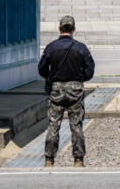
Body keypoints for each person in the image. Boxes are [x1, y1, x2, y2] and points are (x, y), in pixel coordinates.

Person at [38, 15, 95, 167]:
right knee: (76, 125)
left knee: (53, 124)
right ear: (74, 29)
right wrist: (80, 78)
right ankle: (78, 160)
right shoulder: (81, 48)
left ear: (59, 28)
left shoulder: (51, 47)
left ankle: (49, 159)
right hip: (75, 89)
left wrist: (51, 77)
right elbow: (90, 70)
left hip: (56, 88)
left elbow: (42, 69)